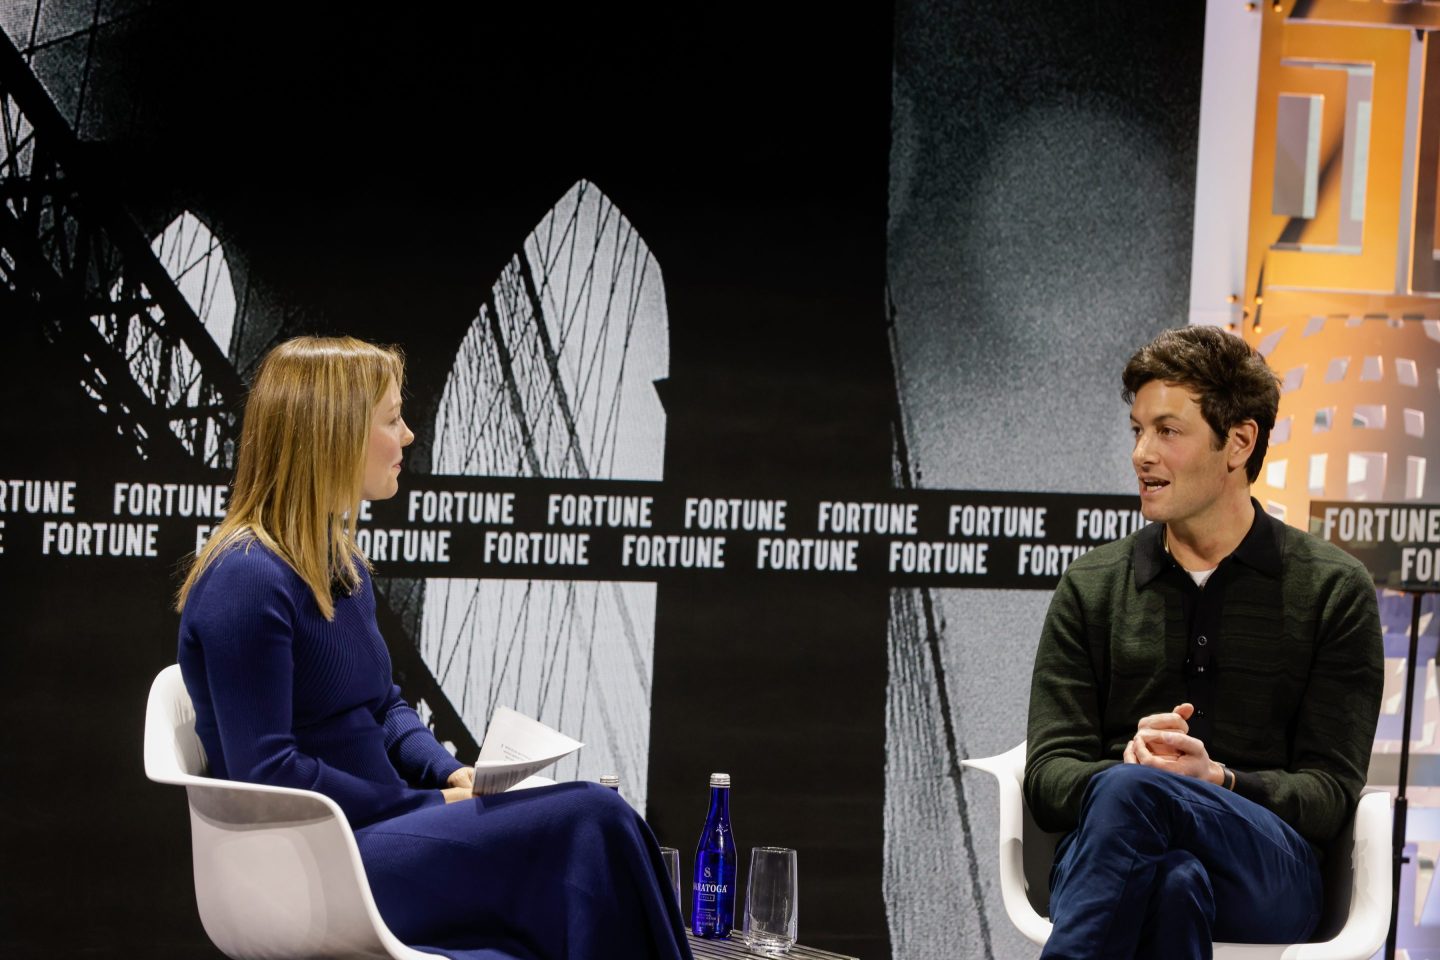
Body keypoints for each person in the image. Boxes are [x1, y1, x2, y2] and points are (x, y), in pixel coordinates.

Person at [176, 336, 692, 960]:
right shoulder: (246, 577)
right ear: (334, 436)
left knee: (597, 821)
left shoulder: (341, 566)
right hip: (321, 864)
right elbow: (270, 774)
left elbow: (386, 708)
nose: (409, 436)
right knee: (593, 819)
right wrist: (425, 800)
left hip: (390, 832)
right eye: (392, 420)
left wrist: (451, 771)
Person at [1023, 325, 1383, 960]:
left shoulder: (1333, 588)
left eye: (1167, 430)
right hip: (1111, 856)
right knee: (1173, 881)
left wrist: (1216, 779)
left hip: (1269, 869)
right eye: (1137, 430)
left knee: (1141, 801)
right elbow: (1049, 776)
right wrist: (1133, 771)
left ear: (1239, 442)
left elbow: (1328, 795)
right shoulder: (1093, 583)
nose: (1141, 453)